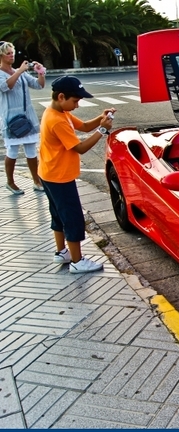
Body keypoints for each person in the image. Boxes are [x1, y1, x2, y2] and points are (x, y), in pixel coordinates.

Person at [38, 76, 115, 274]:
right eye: (75, 101)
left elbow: (84, 126)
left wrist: (100, 117)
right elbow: (80, 148)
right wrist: (103, 130)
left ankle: (61, 252)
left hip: (49, 174)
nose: (77, 105)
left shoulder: (59, 111)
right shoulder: (57, 120)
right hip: (60, 178)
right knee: (72, 218)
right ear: (61, 96)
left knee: (58, 214)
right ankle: (77, 261)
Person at [0, 41, 46, 194]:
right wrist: (19, 71)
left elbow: (39, 85)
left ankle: (36, 181)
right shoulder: (2, 73)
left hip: (27, 118)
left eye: (12, 52)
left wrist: (40, 73)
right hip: (11, 119)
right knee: (12, 150)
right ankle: (10, 182)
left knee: (31, 149)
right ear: (1, 56)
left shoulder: (21, 72)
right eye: (8, 53)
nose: (11, 55)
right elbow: (6, 86)